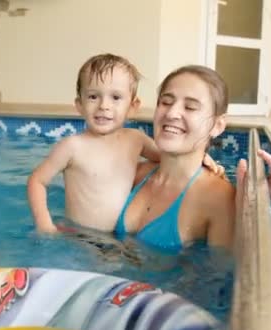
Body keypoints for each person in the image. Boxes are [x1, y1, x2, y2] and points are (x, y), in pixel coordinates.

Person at [27, 54, 223, 233]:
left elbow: (170, 158)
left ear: (132, 106)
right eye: (94, 96)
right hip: (79, 236)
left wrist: (202, 158)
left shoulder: (135, 140)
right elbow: (37, 180)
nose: (104, 106)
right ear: (79, 105)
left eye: (116, 97)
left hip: (118, 240)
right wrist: (45, 224)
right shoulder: (72, 147)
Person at [115, 65, 271, 251]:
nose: (171, 113)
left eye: (190, 107)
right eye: (166, 102)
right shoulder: (135, 174)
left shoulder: (218, 198)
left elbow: (224, 272)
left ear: (217, 126)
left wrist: (253, 214)